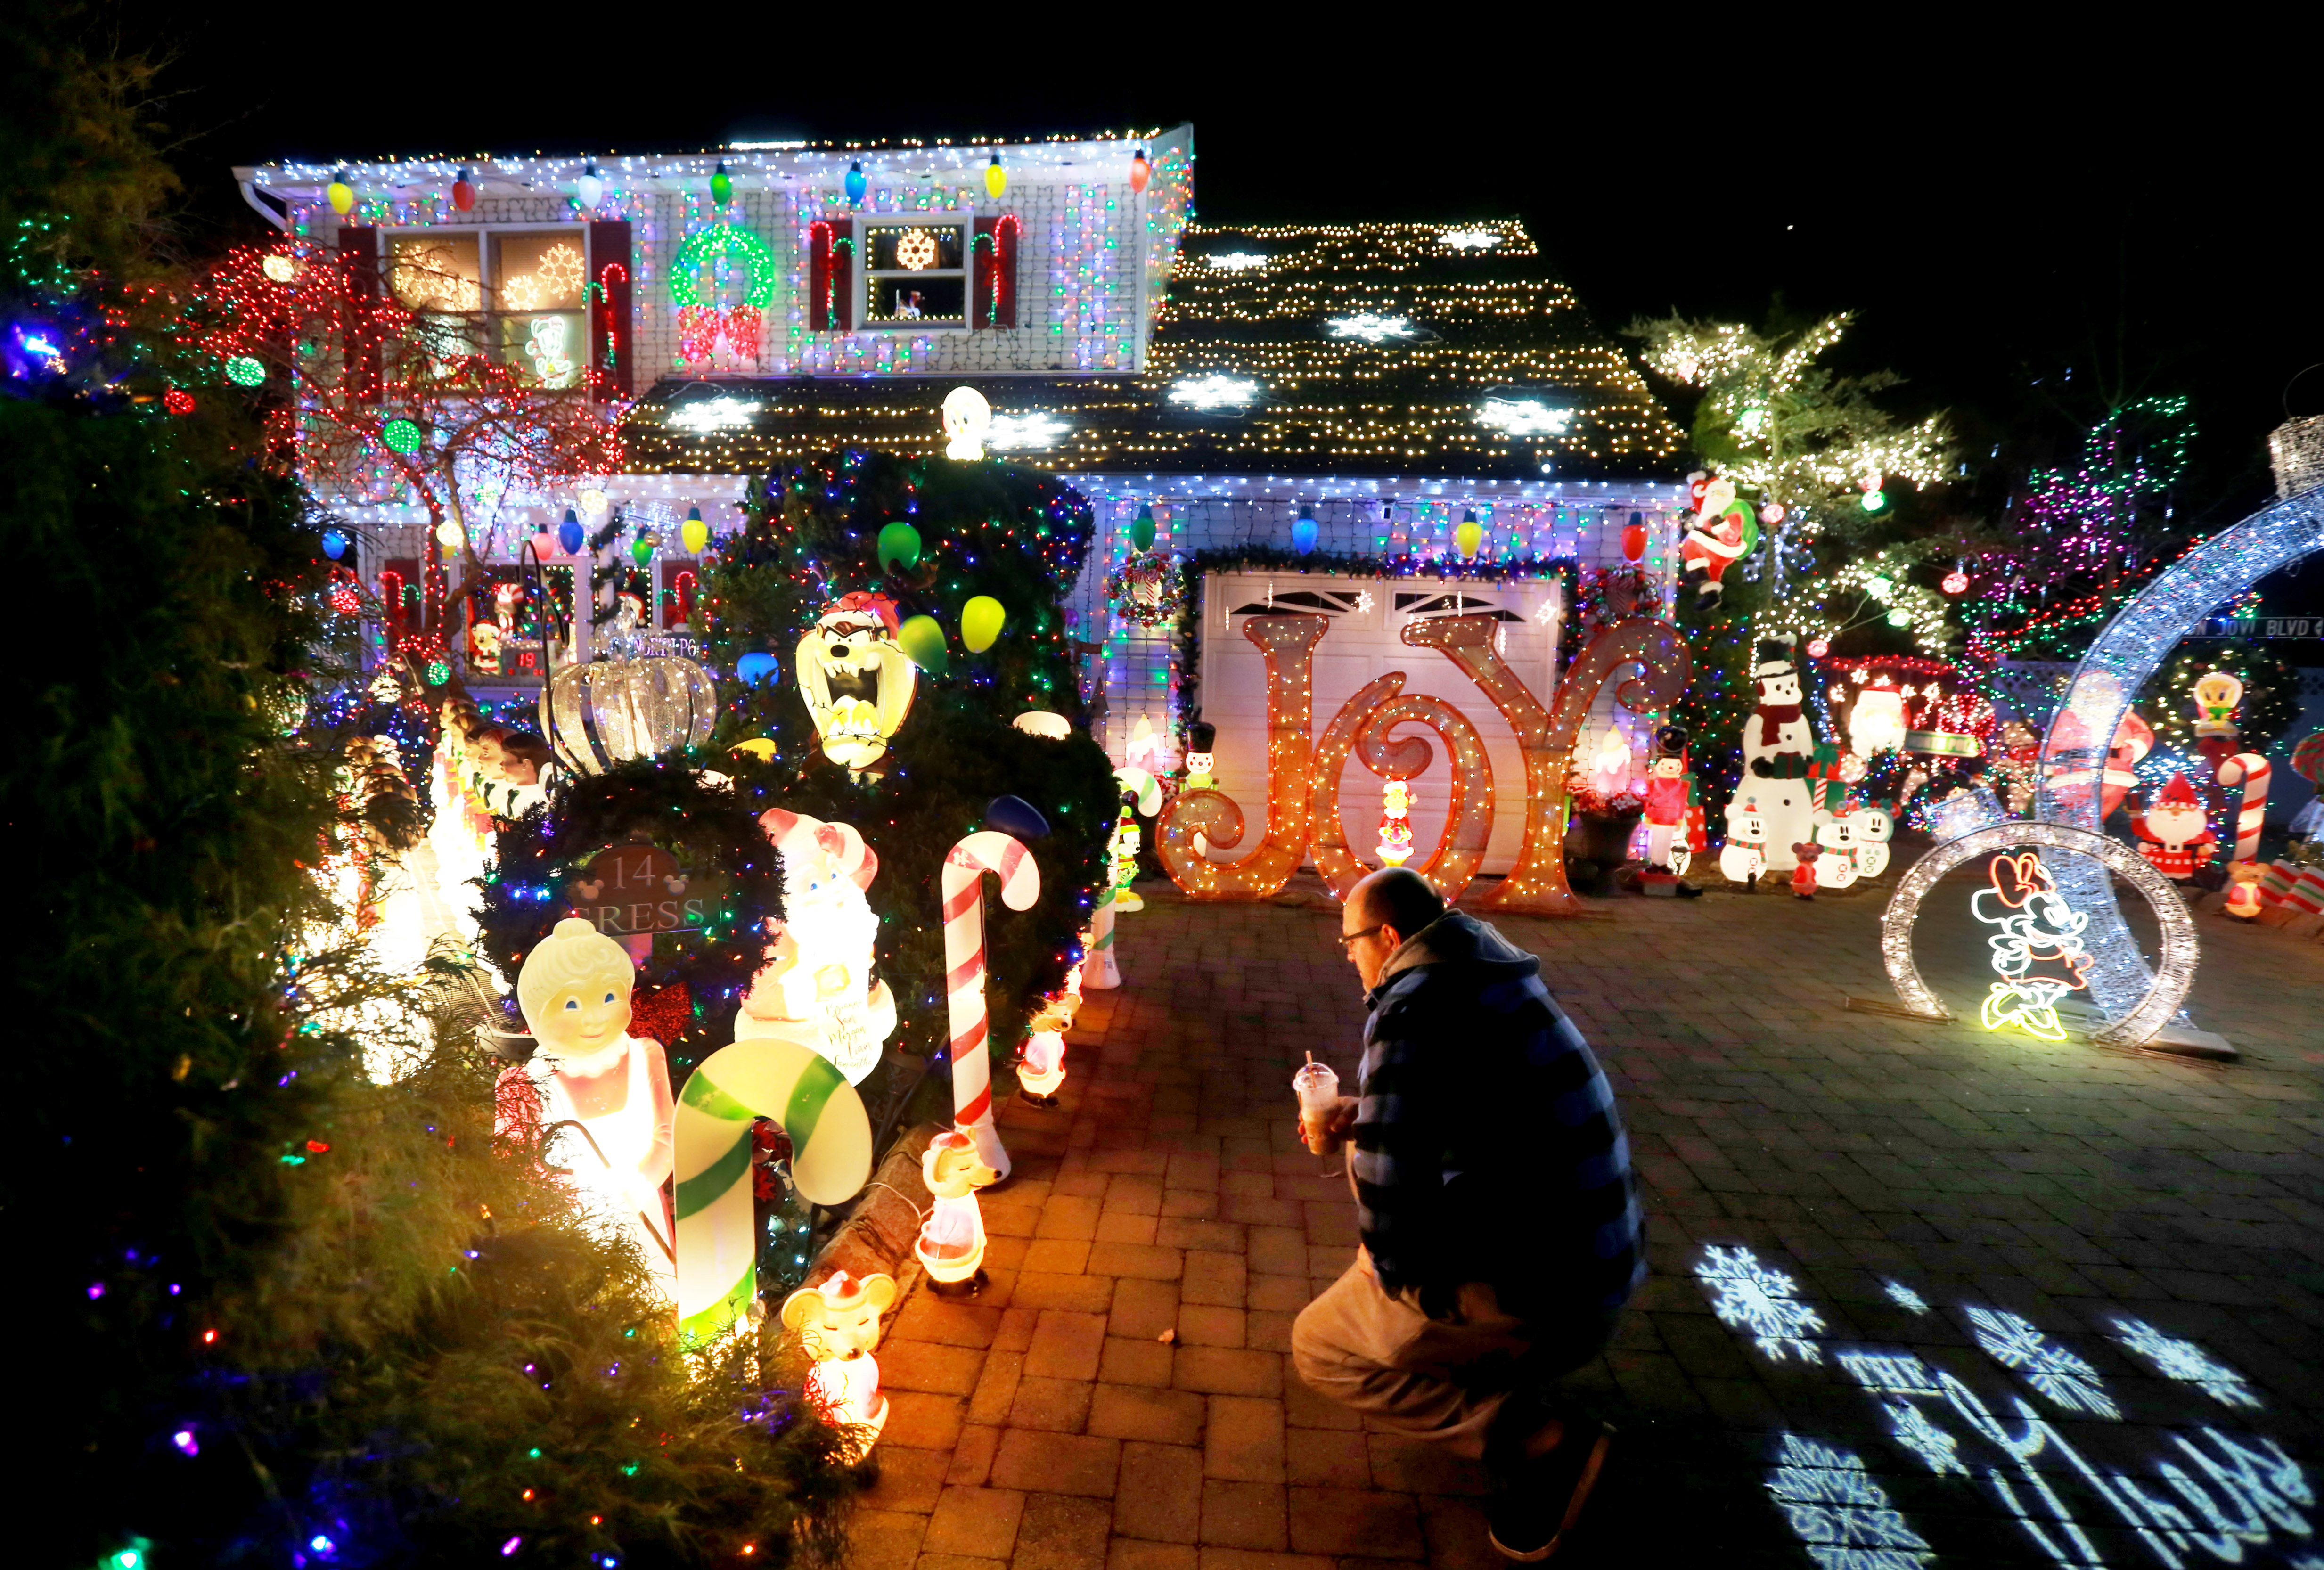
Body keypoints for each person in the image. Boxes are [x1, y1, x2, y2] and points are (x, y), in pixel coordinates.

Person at [1292, 868, 1643, 1562]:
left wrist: (1394, 1291)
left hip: (1550, 1295)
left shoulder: (1412, 1006)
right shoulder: (1490, 974)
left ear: (1387, 937)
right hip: (1600, 1265)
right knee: (1391, 1236)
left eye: (1351, 943)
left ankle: (1544, 1443)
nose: (1351, 957)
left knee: (1325, 1346)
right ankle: (1482, 1361)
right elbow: (1469, 1112)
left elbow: (1394, 1200)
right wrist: (1365, 1116)